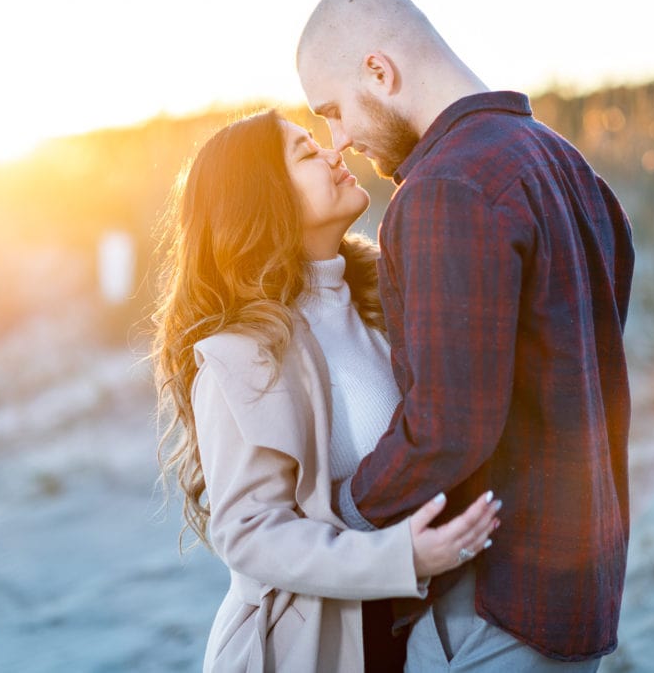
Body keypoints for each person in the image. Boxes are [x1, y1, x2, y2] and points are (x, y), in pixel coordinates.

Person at [296, 0, 636, 671]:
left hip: (492, 606)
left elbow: (445, 428)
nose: (340, 142)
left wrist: (336, 510)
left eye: (333, 112)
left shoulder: (444, 189)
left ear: (379, 72)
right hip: (575, 594)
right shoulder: (564, 161)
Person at [151, 110, 502, 672]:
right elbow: (250, 534)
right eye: (306, 154)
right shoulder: (238, 354)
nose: (336, 153)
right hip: (311, 648)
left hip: (420, 623)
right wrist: (401, 557)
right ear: (263, 200)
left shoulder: (385, 295)